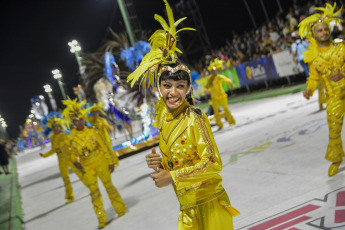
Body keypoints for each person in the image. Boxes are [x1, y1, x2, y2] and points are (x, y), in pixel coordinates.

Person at [127, 1, 239, 229]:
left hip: (209, 204)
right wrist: (162, 164)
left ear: (188, 89)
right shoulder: (165, 120)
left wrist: (173, 177)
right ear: (159, 89)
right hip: (187, 208)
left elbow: (212, 163)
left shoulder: (194, 117)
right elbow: (178, 160)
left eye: (180, 86)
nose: (173, 92)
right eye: (167, 85)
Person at [62, 98, 127, 229]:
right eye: (75, 121)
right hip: (86, 165)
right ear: (73, 122)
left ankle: (120, 208)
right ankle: (101, 218)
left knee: (109, 186)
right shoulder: (71, 137)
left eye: (80, 119)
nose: (79, 122)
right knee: (94, 192)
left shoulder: (92, 131)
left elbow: (104, 146)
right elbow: (71, 152)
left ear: (83, 119)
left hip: (100, 161)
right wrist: (75, 161)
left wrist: (110, 161)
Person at [299, 3, 345, 176]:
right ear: (313, 34)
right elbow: (313, 77)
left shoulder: (341, 47)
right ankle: (336, 158)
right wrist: (309, 90)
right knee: (334, 129)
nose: (324, 32)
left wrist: (342, 74)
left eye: (326, 29)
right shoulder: (313, 56)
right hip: (334, 97)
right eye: (320, 30)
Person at [39, 117, 84, 204]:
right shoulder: (52, 138)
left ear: (60, 127)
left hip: (69, 159)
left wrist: (77, 155)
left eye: (57, 126)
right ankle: (70, 196)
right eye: (54, 127)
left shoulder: (64, 136)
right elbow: (53, 150)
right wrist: (44, 155)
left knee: (80, 174)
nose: (55, 128)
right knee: (66, 179)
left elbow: (73, 145)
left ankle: (91, 187)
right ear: (52, 129)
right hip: (61, 161)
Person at [206, 58, 236, 131]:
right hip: (214, 98)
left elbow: (226, 79)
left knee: (226, 109)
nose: (214, 72)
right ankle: (220, 125)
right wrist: (208, 89)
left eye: (215, 71)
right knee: (216, 112)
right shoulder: (209, 79)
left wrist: (232, 84)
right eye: (213, 71)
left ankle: (231, 122)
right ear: (211, 72)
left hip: (222, 95)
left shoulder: (218, 77)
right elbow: (207, 87)